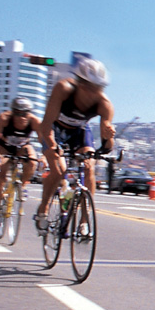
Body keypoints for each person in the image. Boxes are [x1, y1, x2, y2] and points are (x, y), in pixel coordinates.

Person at [36, 57, 116, 229]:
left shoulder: (105, 105)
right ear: (79, 83)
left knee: (89, 167)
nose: (92, 93)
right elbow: (46, 124)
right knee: (59, 170)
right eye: (88, 88)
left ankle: (84, 220)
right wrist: (52, 146)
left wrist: (108, 136)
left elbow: (107, 147)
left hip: (79, 131)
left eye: (98, 89)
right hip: (55, 130)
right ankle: (43, 208)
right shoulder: (63, 89)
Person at [0, 98, 43, 231]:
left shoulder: (34, 121)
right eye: (17, 113)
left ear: (29, 113)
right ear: (12, 113)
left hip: (23, 147)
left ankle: (22, 185)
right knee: (0, 178)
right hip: (5, 147)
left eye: (24, 114)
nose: (21, 117)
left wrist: (45, 156)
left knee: (32, 162)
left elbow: (43, 140)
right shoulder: (4, 118)